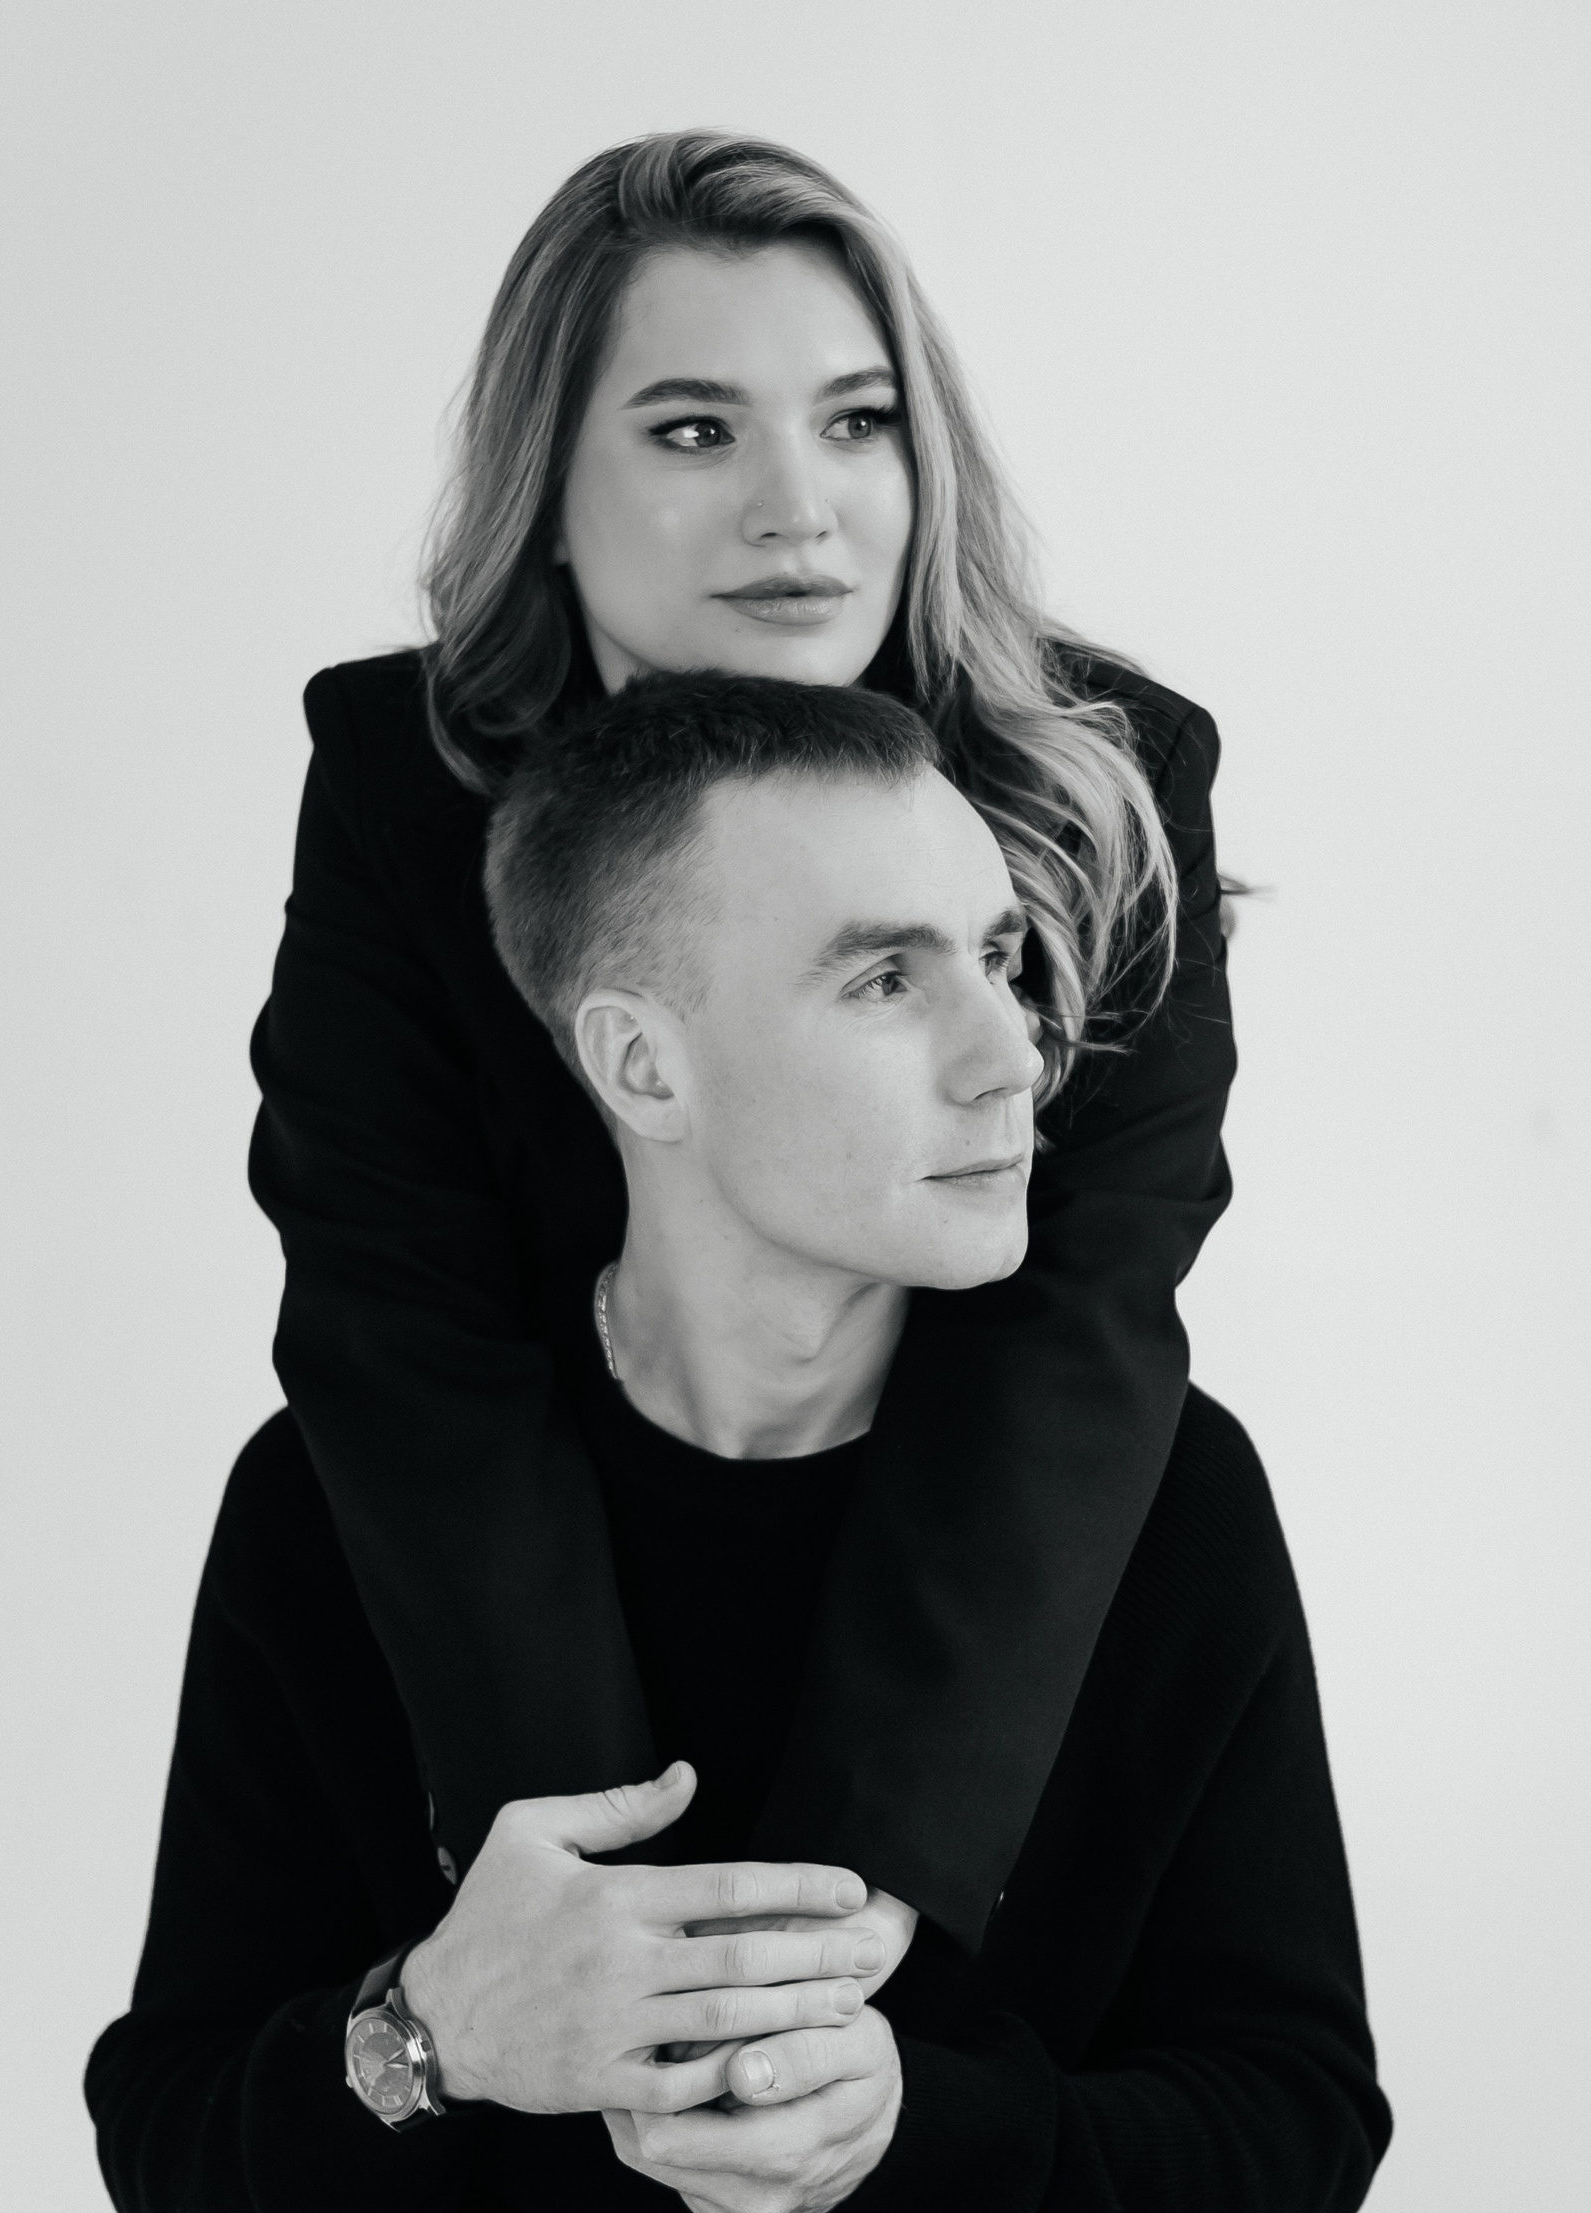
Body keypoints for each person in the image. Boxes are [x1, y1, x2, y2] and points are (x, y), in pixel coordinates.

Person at [90, 674, 1407, 2213]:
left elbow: (1291, 2120)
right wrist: (432, 2038)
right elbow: (174, 2155)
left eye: (1003, 957)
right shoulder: (333, 1508)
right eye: (885, 979)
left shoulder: (1165, 1500)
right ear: (641, 1064)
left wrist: (924, 2131)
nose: (1011, 1055)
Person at [249, 128, 1235, 1956]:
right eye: (696, 430)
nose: (801, 509)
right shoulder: (406, 780)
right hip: (558, 1597)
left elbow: (1067, 1329)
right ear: (549, 488)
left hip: (957, 1636)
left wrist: (851, 1912)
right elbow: (399, 1308)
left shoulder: (1103, 779)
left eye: (859, 423)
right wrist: (592, 1890)